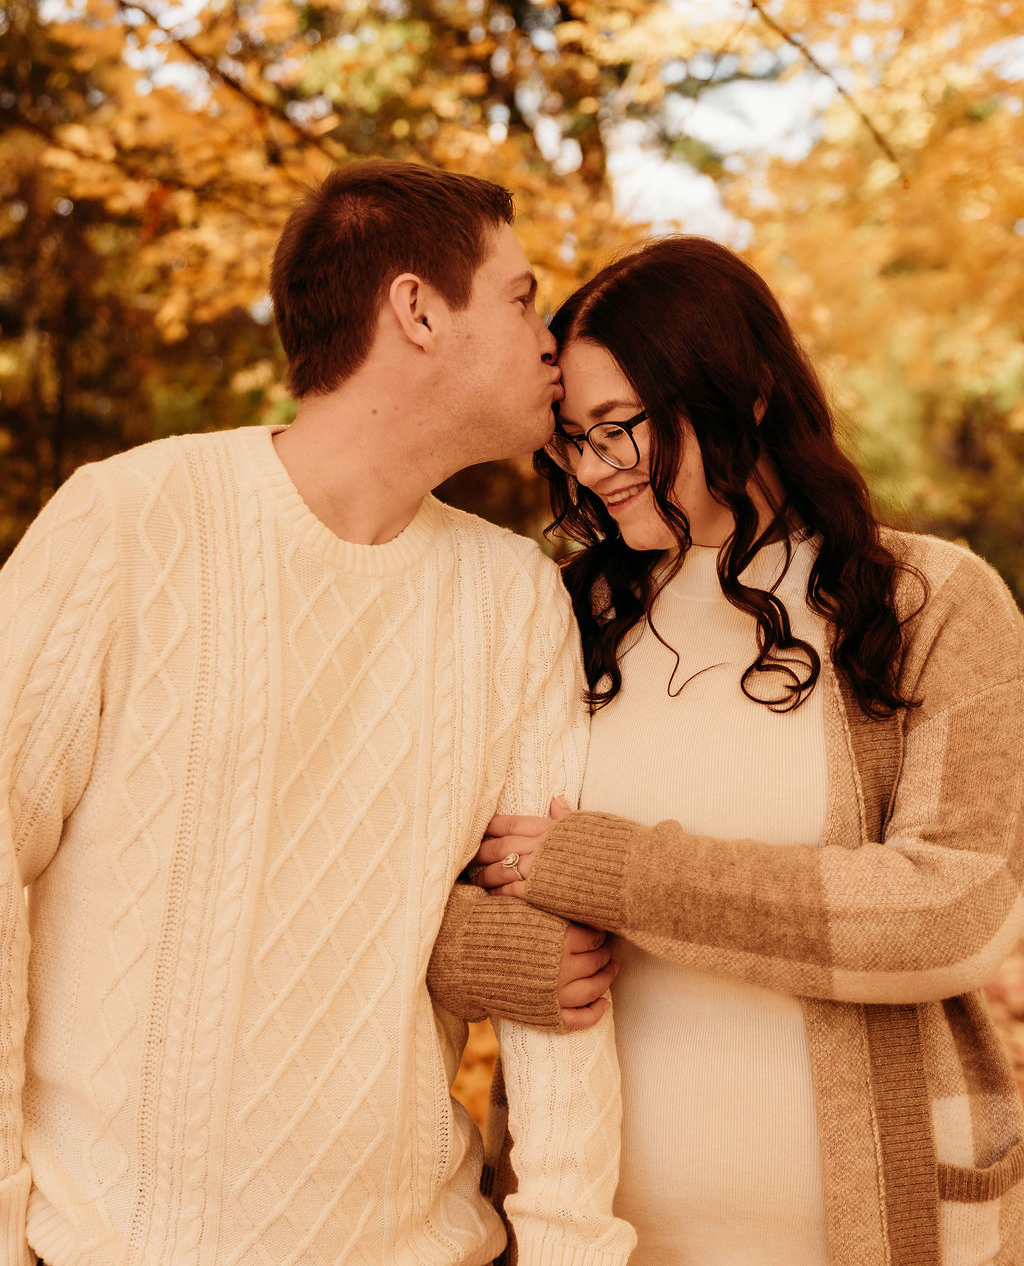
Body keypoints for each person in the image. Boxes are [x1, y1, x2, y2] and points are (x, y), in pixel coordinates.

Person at [0, 161, 636, 1266]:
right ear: (417, 309)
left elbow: (550, 951)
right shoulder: (130, 520)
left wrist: (570, 1248)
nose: (550, 340)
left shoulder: (510, 594)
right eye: (523, 298)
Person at [473, 236, 1024, 1266]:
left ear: (747, 392)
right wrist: (499, 955)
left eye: (618, 431)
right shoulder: (552, 618)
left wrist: (621, 871)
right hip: (588, 1238)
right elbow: (444, 874)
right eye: (572, 441)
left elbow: (951, 913)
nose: (592, 473)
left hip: (881, 1237)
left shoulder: (931, 603)